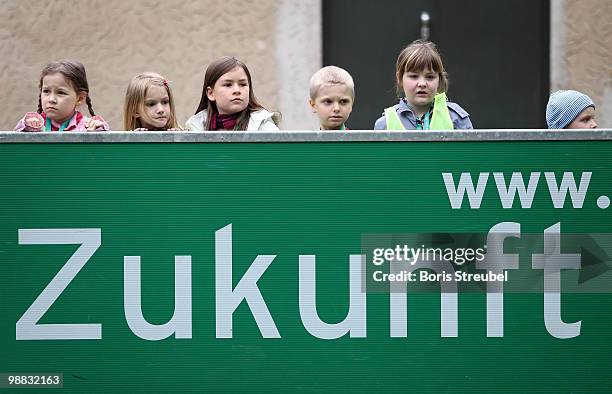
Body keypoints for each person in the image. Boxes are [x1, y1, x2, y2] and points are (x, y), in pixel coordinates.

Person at [373, 39, 472, 130]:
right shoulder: (384, 124)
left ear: (439, 80)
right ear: (400, 79)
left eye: (430, 77)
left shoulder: (456, 118)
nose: (422, 84)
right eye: (414, 76)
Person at [185, 56, 279, 131]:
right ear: (211, 93)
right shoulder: (195, 127)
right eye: (228, 85)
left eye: (243, 84)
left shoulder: (262, 125)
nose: (237, 90)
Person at [14, 60, 109, 131]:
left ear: (80, 98)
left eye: (61, 93)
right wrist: (25, 126)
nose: (51, 99)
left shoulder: (86, 127)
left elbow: (107, 148)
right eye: (46, 91)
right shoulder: (32, 124)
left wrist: (99, 129)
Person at [308, 66, 354, 130]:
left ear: (351, 104)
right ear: (313, 105)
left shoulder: (362, 139)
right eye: (328, 102)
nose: (336, 109)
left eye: (343, 101)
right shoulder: (304, 139)